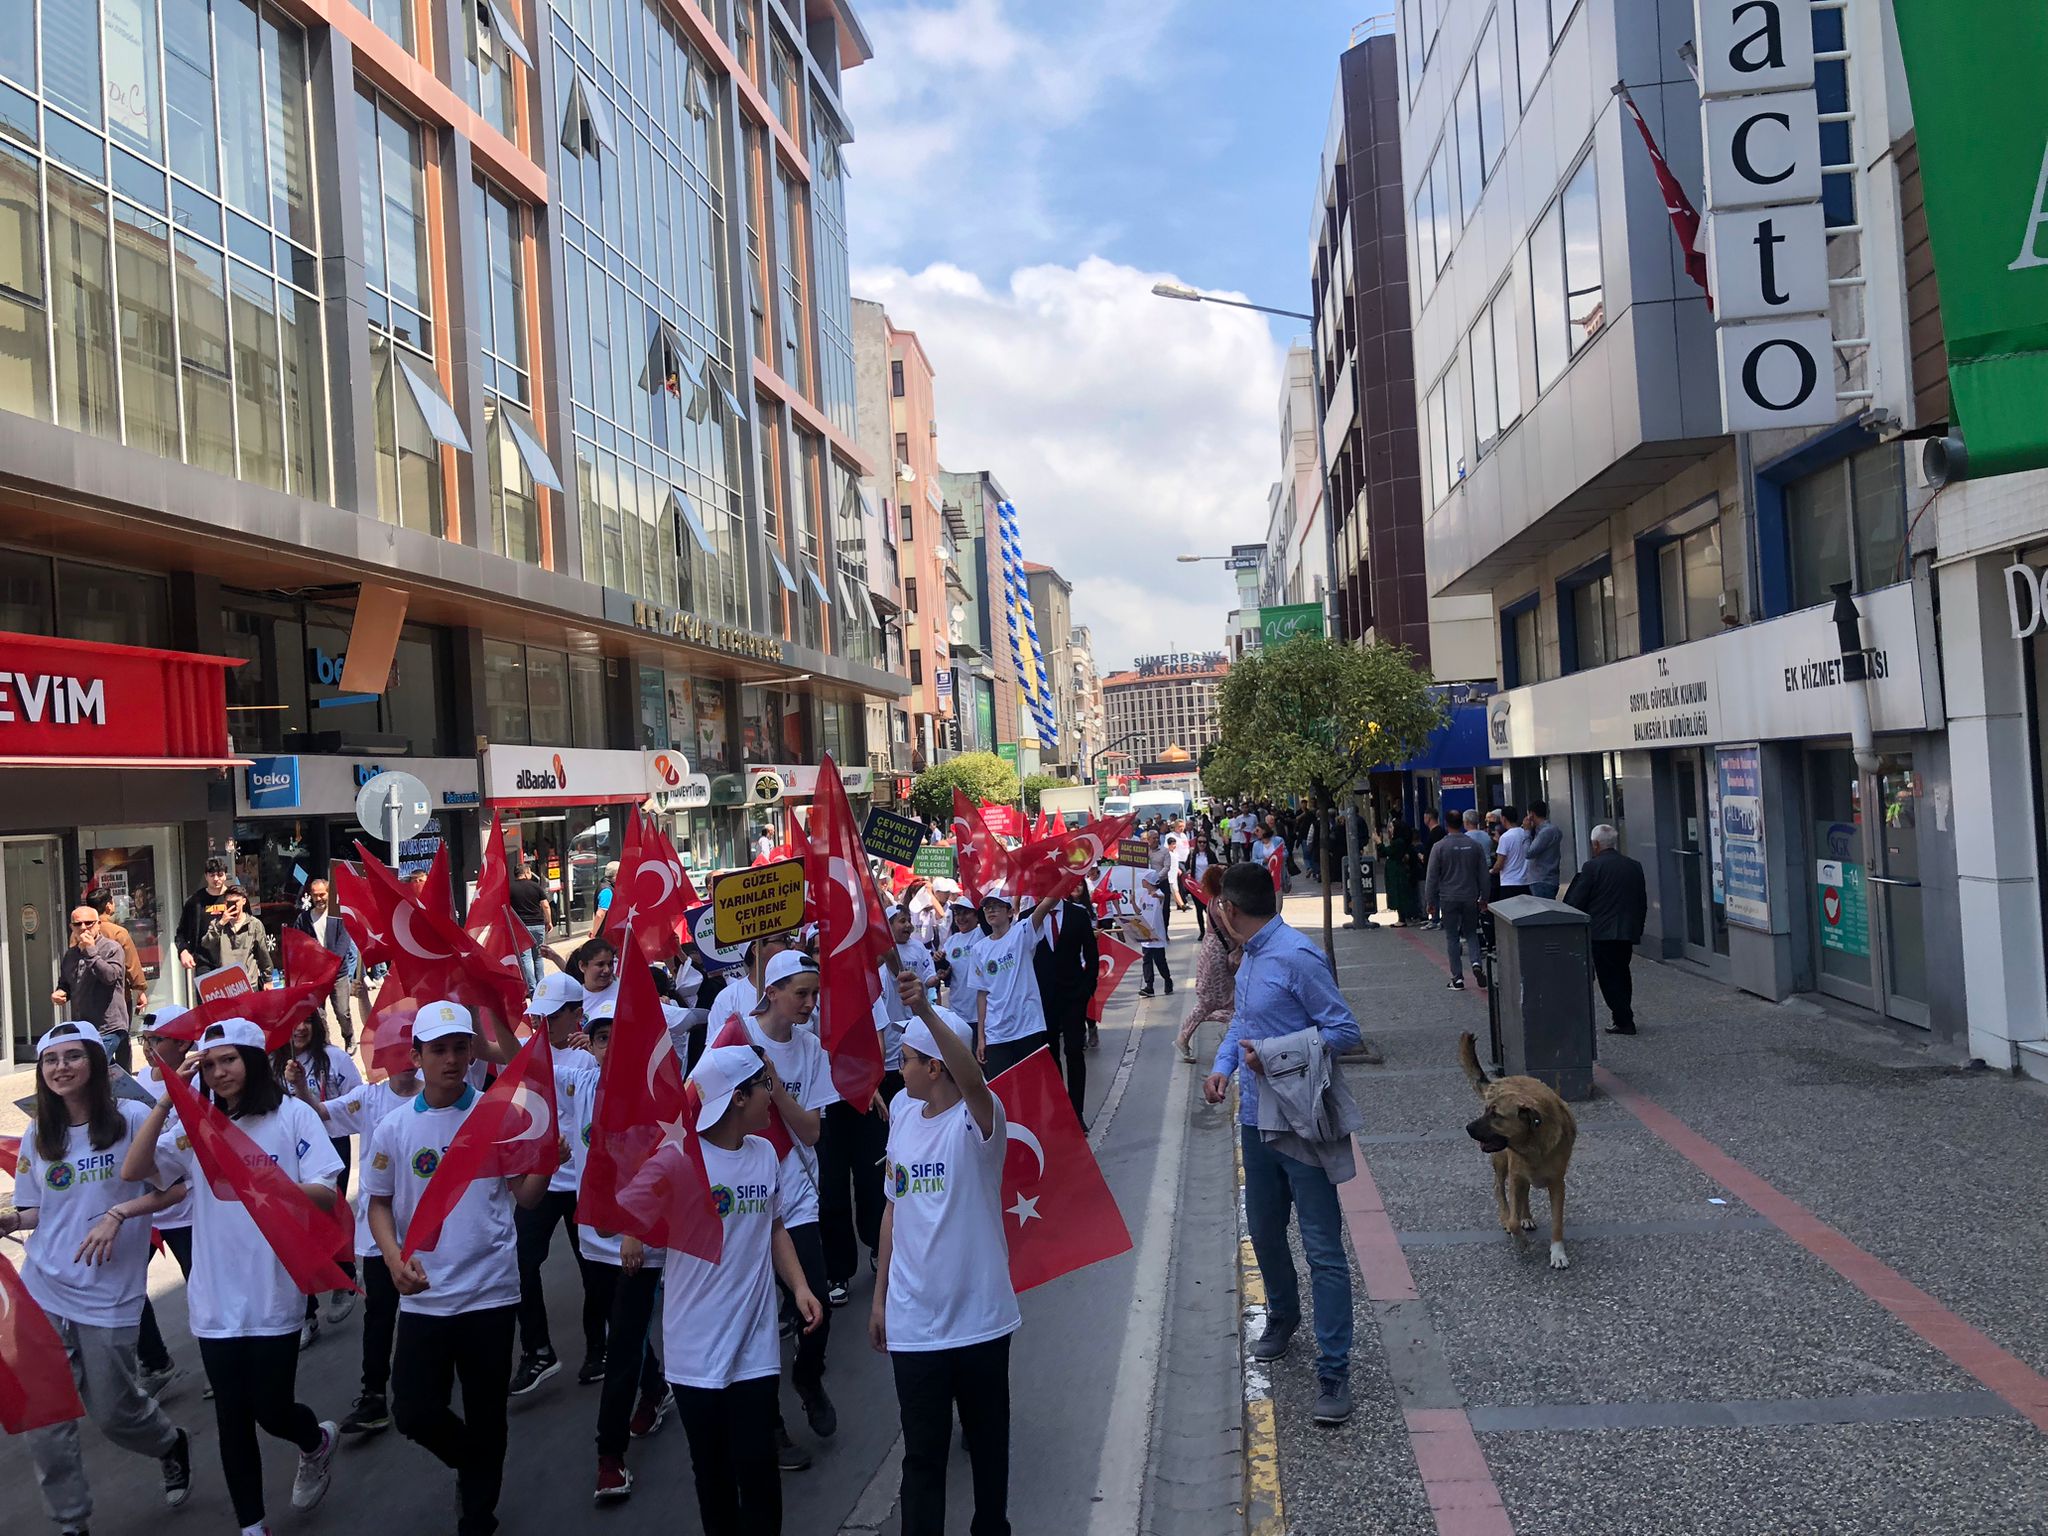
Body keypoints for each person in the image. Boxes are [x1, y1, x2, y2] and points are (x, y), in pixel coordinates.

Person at [121, 1017, 344, 1535]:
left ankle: (315, 1442)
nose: (220, 1073)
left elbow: (327, 1193)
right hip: (214, 1296)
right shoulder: (197, 1126)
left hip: (273, 1287)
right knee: (232, 1417)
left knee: (271, 1407)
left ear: (253, 1061)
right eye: (210, 1064)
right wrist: (166, 1098)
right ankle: (252, 1526)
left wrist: (260, 1179)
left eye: (230, 1060)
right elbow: (134, 1172)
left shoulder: (292, 1117)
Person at [363, 1002, 552, 1536]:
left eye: (459, 1048)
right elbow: (378, 1202)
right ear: (417, 1056)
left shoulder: (500, 1116)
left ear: (472, 1051)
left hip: (490, 1290)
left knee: (487, 1409)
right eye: (438, 1050)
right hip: (425, 1294)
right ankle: (477, 1464)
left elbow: (527, 1198)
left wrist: (547, 1163)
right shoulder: (395, 1128)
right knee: (414, 1411)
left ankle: (478, 1514)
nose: (450, 1060)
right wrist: (395, 1260)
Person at [6, 1021, 193, 1532]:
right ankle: (71, 1523)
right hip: (44, 1287)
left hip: (110, 1294)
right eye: (51, 1060)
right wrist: (10, 1220)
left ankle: (169, 1442)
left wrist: (119, 1214)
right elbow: (35, 1211)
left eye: (73, 1056)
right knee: (44, 1419)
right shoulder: (38, 1133)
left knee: (113, 1413)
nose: (61, 1068)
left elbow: (176, 1189)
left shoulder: (133, 1118)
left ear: (94, 1062)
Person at [1203, 863, 1364, 1427]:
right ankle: (1282, 1318)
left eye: (1219, 906)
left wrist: (1272, 1055)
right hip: (1254, 1120)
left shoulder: (1296, 956)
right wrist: (1224, 1067)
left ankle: (1334, 1369)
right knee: (1265, 1233)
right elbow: (1240, 1025)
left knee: (1322, 1249)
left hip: (1301, 1121)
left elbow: (1344, 1031)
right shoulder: (1248, 956)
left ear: (1230, 908)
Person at [871, 975, 1020, 1536]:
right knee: (923, 1458)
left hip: (979, 1320)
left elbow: (974, 1079)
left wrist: (927, 1012)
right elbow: (893, 1210)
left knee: (987, 1450)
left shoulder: (980, 1120)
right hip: (915, 1326)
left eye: (908, 1059)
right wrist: (881, 1298)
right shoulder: (905, 1117)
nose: (899, 1068)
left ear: (935, 1067)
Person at [657, 1043, 824, 1534]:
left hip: (754, 1344)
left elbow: (774, 1228)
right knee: (712, 1476)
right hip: (694, 1350)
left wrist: (799, 1287)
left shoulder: (765, 1154)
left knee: (758, 1473)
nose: (770, 1099)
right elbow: (629, 1221)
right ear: (737, 1098)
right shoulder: (680, 1160)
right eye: (763, 1089)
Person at [738, 951, 847, 1464]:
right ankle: (771, 1427)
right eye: (800, 993)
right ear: (773, 991)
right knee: (760, 1319)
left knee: (817, 1302)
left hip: (798, 1194)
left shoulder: (811, 1050)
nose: (809, 1003)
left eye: (814, 994)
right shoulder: (739, 1040)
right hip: (749, 1201)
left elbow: (812, 1129)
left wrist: (773, 1088)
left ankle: (808, 1377)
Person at [298, 1038, 424, 1439]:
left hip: (430, 1227)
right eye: (395, 1056)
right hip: (380, 1230)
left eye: (411, 1056)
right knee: (380, 1313)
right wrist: (301, 1087)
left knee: (430, 1311)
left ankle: (429, 1379)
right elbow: (321, 1114)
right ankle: (373, 1397)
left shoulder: (438, 1098)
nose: (404, 1064)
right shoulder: (368, 1099)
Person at [820, 904, 928, 1304]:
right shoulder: (811, 998)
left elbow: (880, 1039)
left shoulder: (865, 988)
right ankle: (838, 1271)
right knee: (831, 1190)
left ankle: (876, 1247)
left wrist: (871, 1083)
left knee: (870, 1181)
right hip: (827, 1106)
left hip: (866, 1099)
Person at [509, 968, 602, 1396]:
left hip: (582, 1181)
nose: (542, 1024)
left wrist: (599, 1054)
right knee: (520, 1262)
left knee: (594, 1270)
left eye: (552, 1016)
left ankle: (598, 1349)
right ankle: (539, 1351)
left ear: (575, 1014)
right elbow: (495, 1051)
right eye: (538, 1016)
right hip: (542, 1180)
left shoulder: (588, 1058)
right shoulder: (530, 1049)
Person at [279, 1007, 364, 1342]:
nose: (299, 1028)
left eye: (306, 1021)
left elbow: (354, 1099)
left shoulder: (334, 1058)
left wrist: (307, 1091)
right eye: (292, 1022)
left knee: (327, 1219)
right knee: (296, 1231)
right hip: (290, 1152)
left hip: (330, 1148)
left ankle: (344, 1276)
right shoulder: (272, 1063)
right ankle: (306, 1312)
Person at [131, 1007, 199, 1398]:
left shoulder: (199, 1081)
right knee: (125, 1284)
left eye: (158, 1040)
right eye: (147, 1040)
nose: (150, 1048)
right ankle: (156, 1360)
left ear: (182, 1043)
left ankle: (220, 1363)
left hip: (188, 1206)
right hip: (147, 1207)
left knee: (201, 1288)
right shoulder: (139, 1080)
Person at [1564, 824, 1648, 1036]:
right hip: (1627, 931)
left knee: (1608, 978)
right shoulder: (1634, 866)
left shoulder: (1592, 867)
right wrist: (1638, 926)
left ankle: (1624, 1019)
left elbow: (1577, 900)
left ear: (1596, 844)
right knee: (1622, 972)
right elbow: (1641, 900)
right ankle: (1623, 1015)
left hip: (1602, 933)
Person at [1032, 883, 1099, 1122]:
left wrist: (1086, 989)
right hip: (1042, 999)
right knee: (1050, 1056)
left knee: (1073, 1051)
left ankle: (1077, 1112)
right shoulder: (1027, 918)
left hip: (1073, 996)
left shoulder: (1077, 914)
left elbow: (1092, 955)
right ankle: (1061, 1110)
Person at [970, 891, 1055, 1077]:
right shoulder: (979, 949)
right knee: (1002, 1094)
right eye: (987, 907)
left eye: (997, 906)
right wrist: (981, 1037)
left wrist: (1072, 869)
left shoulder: (1022, 932)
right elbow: (982, 994)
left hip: (1027, 1026)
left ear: (1010, 912)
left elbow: (1047, 904)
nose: (991, 910)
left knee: (1031, 1087)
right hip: (997, 1032)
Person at [54, 905, 132, 1068]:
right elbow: (66, 983)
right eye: (78, 924)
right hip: (83, 1027)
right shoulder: (71, 954)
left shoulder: (111, 948)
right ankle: (123, 1092)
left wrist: (90, 951)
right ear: (71, 927)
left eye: (89, 923)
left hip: (109, 1026)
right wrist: (61, 992)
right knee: (106, 1073)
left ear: (98, 924)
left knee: (94, 1068)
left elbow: (110, 976)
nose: (83, 928)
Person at [1176, 867, 1238, 1063]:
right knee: (1221, 1002)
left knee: (1218, 1001)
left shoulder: (1212, 900)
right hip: (1218, 954)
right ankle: (1228, 1044)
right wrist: (1245, 940)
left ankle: (1187, 1038)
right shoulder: (1220, 902)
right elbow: (1231, 930)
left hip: (1211, 950)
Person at [1425, 812, 1492, 991]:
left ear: (1446, 824)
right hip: (1470, 897)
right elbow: (1484, 875)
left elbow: (1431, 877)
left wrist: (1430, 901)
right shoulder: (1474, 846)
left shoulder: (1439, 847)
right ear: (1462, 823)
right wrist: (1484, 897)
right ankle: (1476, 962)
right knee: (1471, 933)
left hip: (1448, 898)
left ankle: (1457, 978)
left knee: (1452, 936)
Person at [291, 877, 360, 1049]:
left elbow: (343, 941)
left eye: (322, 894)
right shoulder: (304, 918)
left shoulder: (338, 916)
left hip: (338, 973)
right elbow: (298, 943)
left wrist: (333, 963)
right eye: (315, 895)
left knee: (343, 1012)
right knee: (319, 1013)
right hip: (316, 976)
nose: (319, 898)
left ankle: (349, 1037)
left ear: (329, 894)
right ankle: (326, 1044)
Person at [90, 889, 148, 1021]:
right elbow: (131, 964)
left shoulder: (78, 934)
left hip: (87, 996)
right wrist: (140, 989)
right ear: (108, 905)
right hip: (117, 995)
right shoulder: (118, 932)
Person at [202, 885, 274, 987]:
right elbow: (206, 944)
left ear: (244, 901)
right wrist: (221, 923)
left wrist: (268, 979)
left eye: (236, 902)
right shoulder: (218, 923)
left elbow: (263, 953)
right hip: (226, 984)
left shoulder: (254, 924)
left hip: (249, 983)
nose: (233, 905)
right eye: (229, 902)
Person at [174, 857, 231, 975]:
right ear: (206, 876)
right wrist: (183, 951)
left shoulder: (235, 897)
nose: (216, 879)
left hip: (232, 959)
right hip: (204, 962)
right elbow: (181, 933)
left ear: (225, 875)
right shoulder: (195, 901)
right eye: (212, 875)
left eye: (220, 875)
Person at [506, 858, 555, 993]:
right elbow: (545, 905)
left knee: (525, 957)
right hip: (538, 924)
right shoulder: (535, 886)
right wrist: (548, 921)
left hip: (521, 927)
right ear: (527, 873)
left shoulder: (510, 888)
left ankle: (532, 989)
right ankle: (542, 986)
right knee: (538, 956)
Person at [1135, 872, 1173, 998]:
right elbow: (1139, 911)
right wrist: (1132, 902)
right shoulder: (1144, 895)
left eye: (1144, 880)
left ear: (1150, 882)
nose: (1142, 882)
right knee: (1146, 960)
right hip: (1146, 933)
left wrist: (1156, 895)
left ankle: (1167, 980)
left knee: (1160, 961)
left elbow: (1160, 897)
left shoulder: (1160, 893)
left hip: (1157, 933)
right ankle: (1149, 986)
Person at [1379, 822, 1423, 926]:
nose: (1390, 829)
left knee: (1400, 894)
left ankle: (1403, 918)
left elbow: (1387, 852)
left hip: (1398, 873)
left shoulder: (1398, 842)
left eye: (1392, 827)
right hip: (1402, 872)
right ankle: (1408, 916)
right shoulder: (1403, 842)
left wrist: (1378, 842)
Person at [1524, 802, 1563, 901]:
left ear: (1531, 814)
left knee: (1543, 912)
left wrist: (1527, 831)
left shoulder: (1546, 832)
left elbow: (1529, 852)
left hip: (1542, 880)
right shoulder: (1545, 830)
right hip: (1543, 879)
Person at [1492, 806, 1532, 901]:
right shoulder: (1526, 834)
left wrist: (1492, 870)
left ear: (1504, 818)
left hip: (1509, 883)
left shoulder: (1505, 837)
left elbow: (1499, 864)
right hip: (1525, 882)